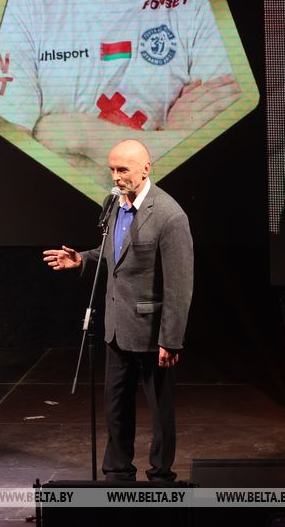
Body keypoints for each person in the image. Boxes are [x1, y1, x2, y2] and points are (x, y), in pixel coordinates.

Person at [0, 0, 241, 183]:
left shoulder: (204, 1)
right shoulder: (23, 5)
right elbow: (5, 167)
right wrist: (175, 141)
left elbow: (222, 165)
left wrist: (82, 135)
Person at [42, 139, 193, 481]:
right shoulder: (113, 204)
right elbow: (114, 254)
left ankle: (161, 474)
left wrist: (171, 339)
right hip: (116, 326)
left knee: (160, 410)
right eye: (111, 169)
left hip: (152, 332)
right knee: (115, 406)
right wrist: (82, 259)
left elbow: (180, 284)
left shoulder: (169, 215)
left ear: (146, 168)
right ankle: (117, 471)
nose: (116, 176)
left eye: (123, 169)